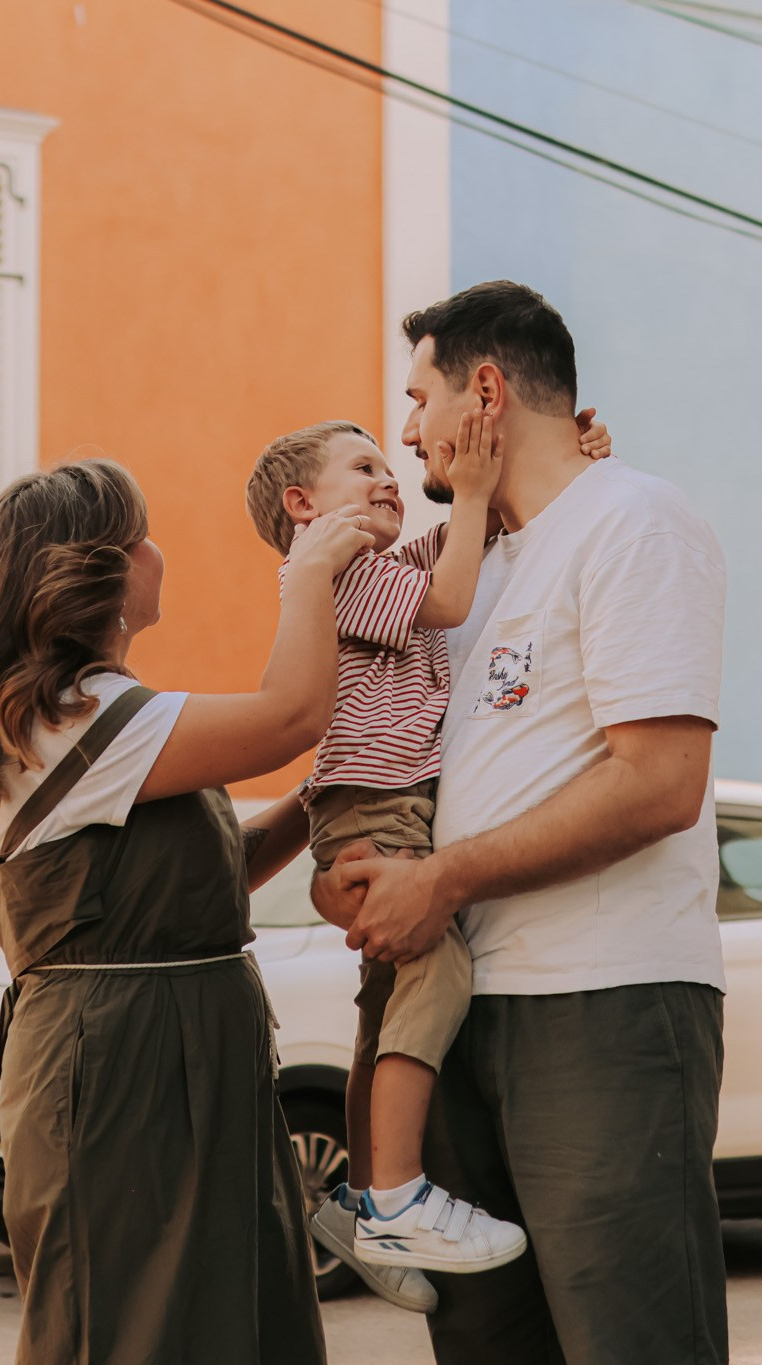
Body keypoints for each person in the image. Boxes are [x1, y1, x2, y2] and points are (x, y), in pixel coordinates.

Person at [314, 281, 731, 1365]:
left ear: (484, 391)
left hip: (603, 1003)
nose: (405, 431)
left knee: (628, 1339)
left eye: (418, 398)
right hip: (461, 1014)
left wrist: (441, 880)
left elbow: (659, 783)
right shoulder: (473, 564)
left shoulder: (635, 522)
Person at [0, 457, 373, 1365]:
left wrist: (339, 788)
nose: (161, 550)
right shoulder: (72, 721)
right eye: (144, 533)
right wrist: (311, 568)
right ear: (106, 570)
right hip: (122, 1068)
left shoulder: (111, 719)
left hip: (187, 1053)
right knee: (129, 1330)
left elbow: (212, 876)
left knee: (230, 1324)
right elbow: (289, 715)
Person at [240, 410, 609, 1311]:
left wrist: (551, 464)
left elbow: (472, 542)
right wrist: (479, 491)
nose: (387, 479)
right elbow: (449, 598)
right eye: (362, 468)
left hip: (375, 804)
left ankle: (362, 1203)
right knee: (436, 971)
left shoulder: (384, 567)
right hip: (378, 805)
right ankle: (399, 1195)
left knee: (387, 1001)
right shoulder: (337, 572)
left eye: (387, 471)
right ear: (302, 504)